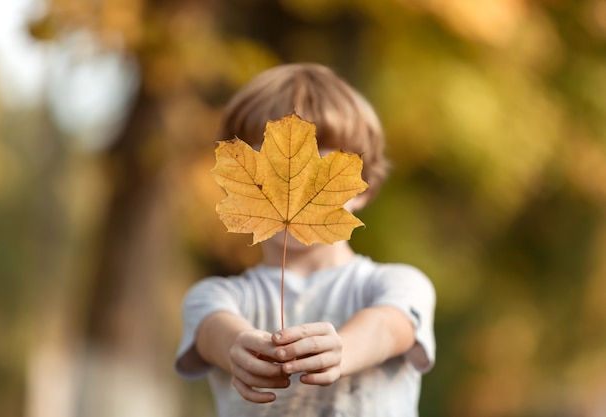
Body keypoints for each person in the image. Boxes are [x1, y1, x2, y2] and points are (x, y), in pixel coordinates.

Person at [175, 63, 436, 417]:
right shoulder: (218, 297)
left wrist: (342, 349)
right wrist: (239, 348)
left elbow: (389, 327)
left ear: (364, 187)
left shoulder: (396, 284)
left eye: (322, 161)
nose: (294, 187)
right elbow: (214, 332)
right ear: (233, 183)